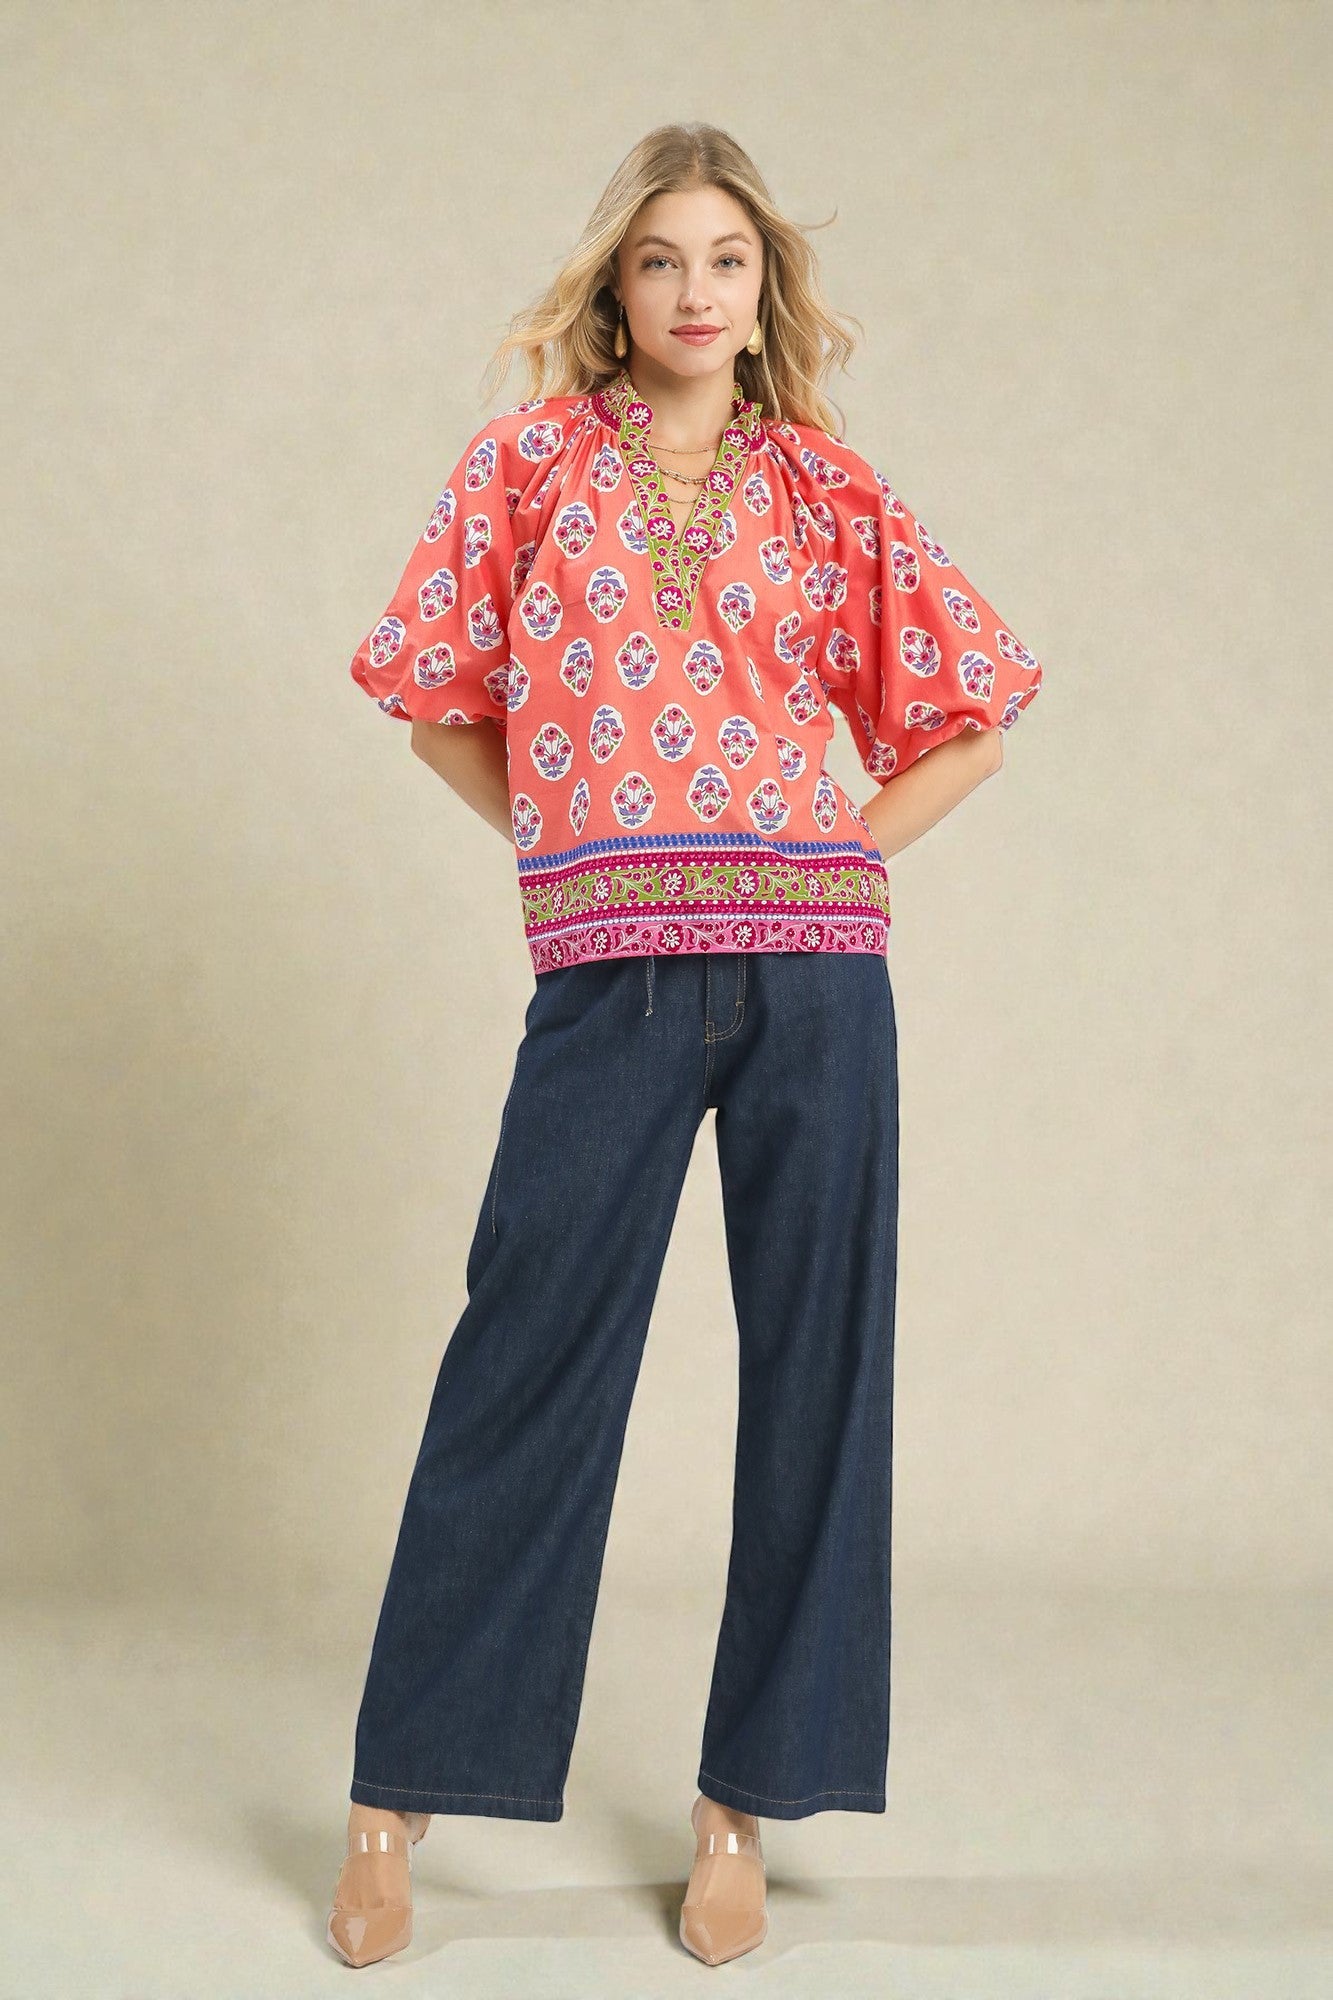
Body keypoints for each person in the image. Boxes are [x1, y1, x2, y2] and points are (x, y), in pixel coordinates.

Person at [327, 120, 1043, 1970]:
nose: (694, 291)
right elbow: (431, 706)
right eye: (662, 260)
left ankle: (740, 1804)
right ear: (617, 288)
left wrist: (831, 854)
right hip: (613, 979)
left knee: (818, 1375)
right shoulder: (527, 472)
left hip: (813, 979)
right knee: (524, 1362)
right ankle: (396, 1797)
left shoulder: (824, 491)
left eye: (726, 260)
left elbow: (968, 716)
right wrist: (575, 857)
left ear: (762, 291)